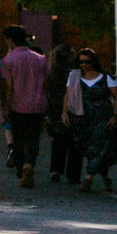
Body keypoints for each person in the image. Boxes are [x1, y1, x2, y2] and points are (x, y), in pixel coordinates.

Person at [0, 26, 50, 189]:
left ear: (10, 40)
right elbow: (46, 83)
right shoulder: (40, 58)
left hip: (17, 105)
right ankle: (29, 164)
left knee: (17, 138)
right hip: (38, 104)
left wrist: (6, 105)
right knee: (33, 137)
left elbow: (9, 85)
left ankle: (21, 169)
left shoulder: (9, 60)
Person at [68, 48, 117, 194]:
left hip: (102, 115)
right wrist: (64, 112)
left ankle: (89, 177)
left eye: (87, 62)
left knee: (99, 144)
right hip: (82, 115)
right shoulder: (74, 77)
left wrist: (115, 115)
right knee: (87, 145)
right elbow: (68, 95)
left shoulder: (105, 77)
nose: (84, 65)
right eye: (81, 62)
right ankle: (105, 176)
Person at [45, 43, 79, 184]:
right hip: (75, 107)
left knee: (58, 140)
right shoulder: (76, 72)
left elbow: (47, 91)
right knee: (75, 142)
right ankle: (73, 174)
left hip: (55, 107)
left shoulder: (51, 72)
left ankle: (56, 169)